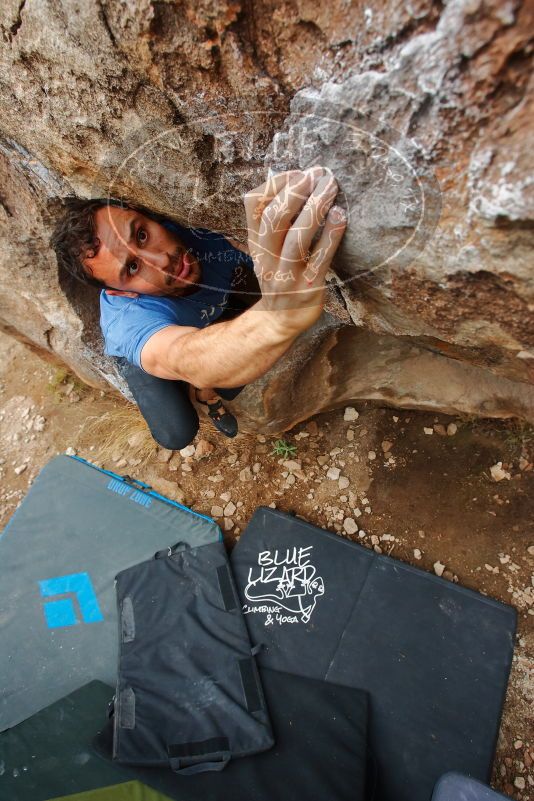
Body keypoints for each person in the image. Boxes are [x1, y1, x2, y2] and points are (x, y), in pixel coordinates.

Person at [51, 166, 347, 449]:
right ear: (119, 292)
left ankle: (205, 393)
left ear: (143, 212)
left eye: (141, 235)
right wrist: (275, 320)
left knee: (231, 377)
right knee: (176, 432)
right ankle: (191, 387)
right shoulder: (129, 322)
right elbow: (182, 356)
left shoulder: (198, 231)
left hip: (199, 319)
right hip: (155, 346)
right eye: (132, 267)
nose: (161, 260)